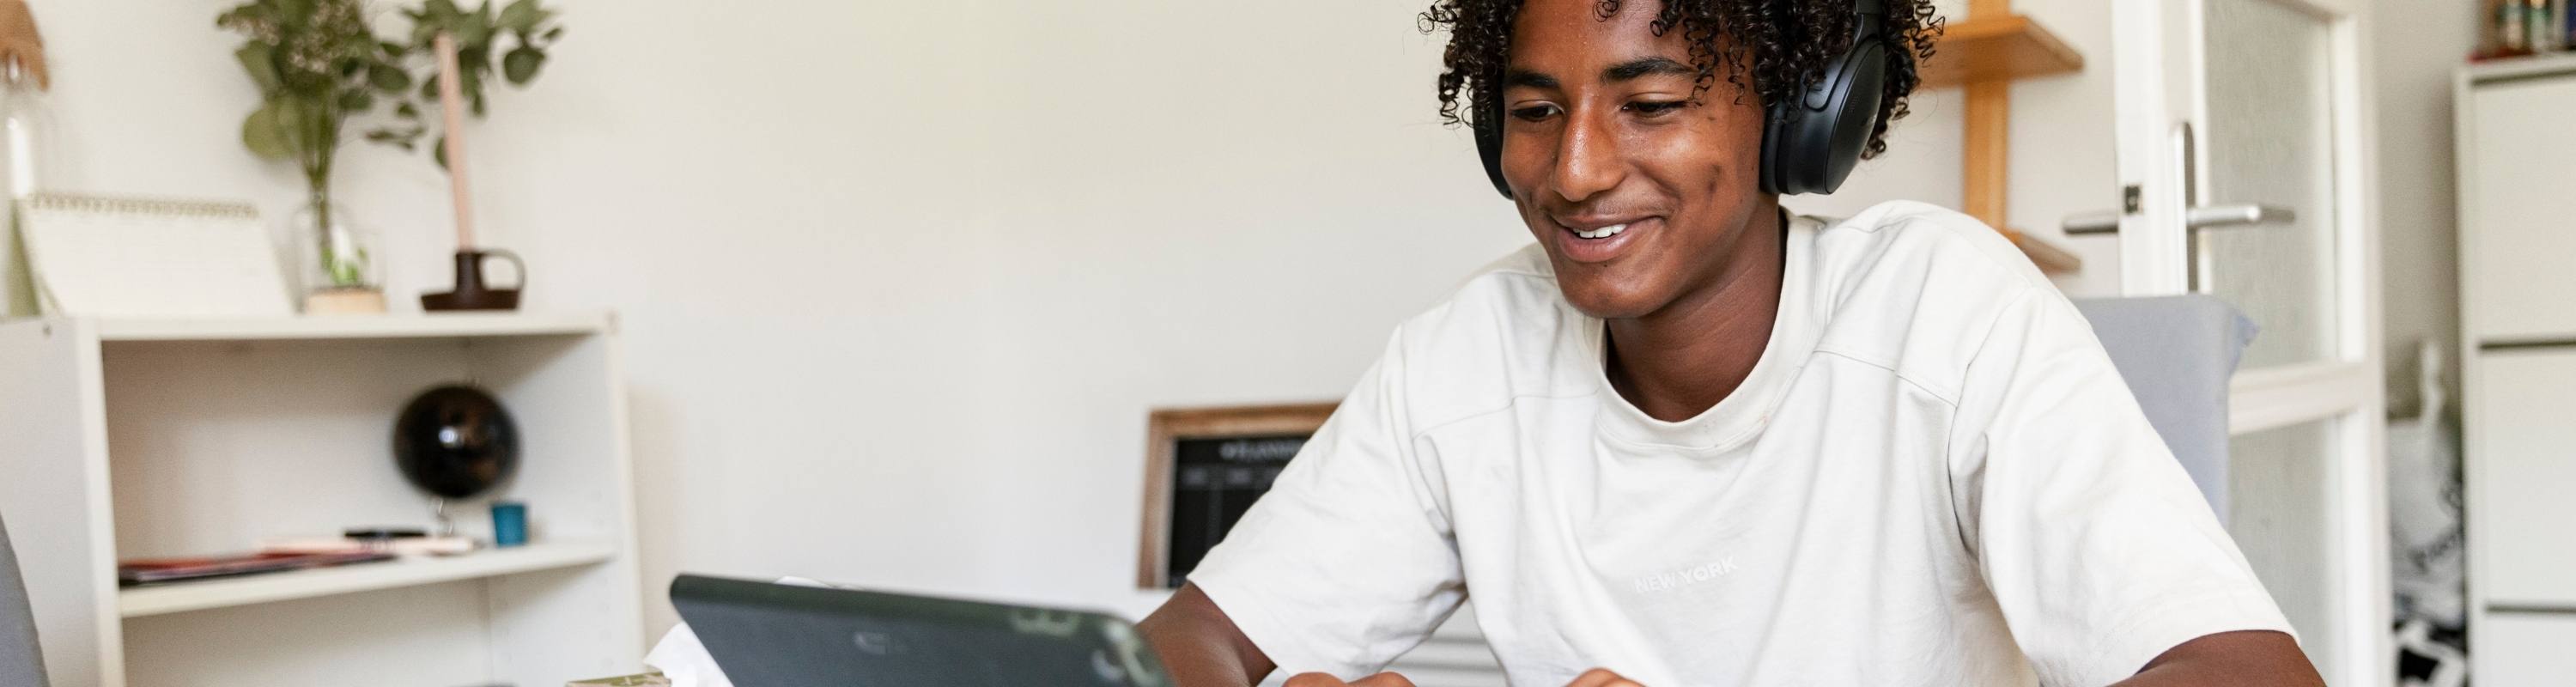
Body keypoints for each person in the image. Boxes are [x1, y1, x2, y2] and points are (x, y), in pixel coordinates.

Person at [1136, 0, 2324, 685]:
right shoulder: (1467, 359)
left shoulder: (1940, 310)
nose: (1577, 169)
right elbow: (1197, 638)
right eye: (1536, 110)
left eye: (1651, 104)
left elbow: (2238, 673)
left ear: (1807, 113)